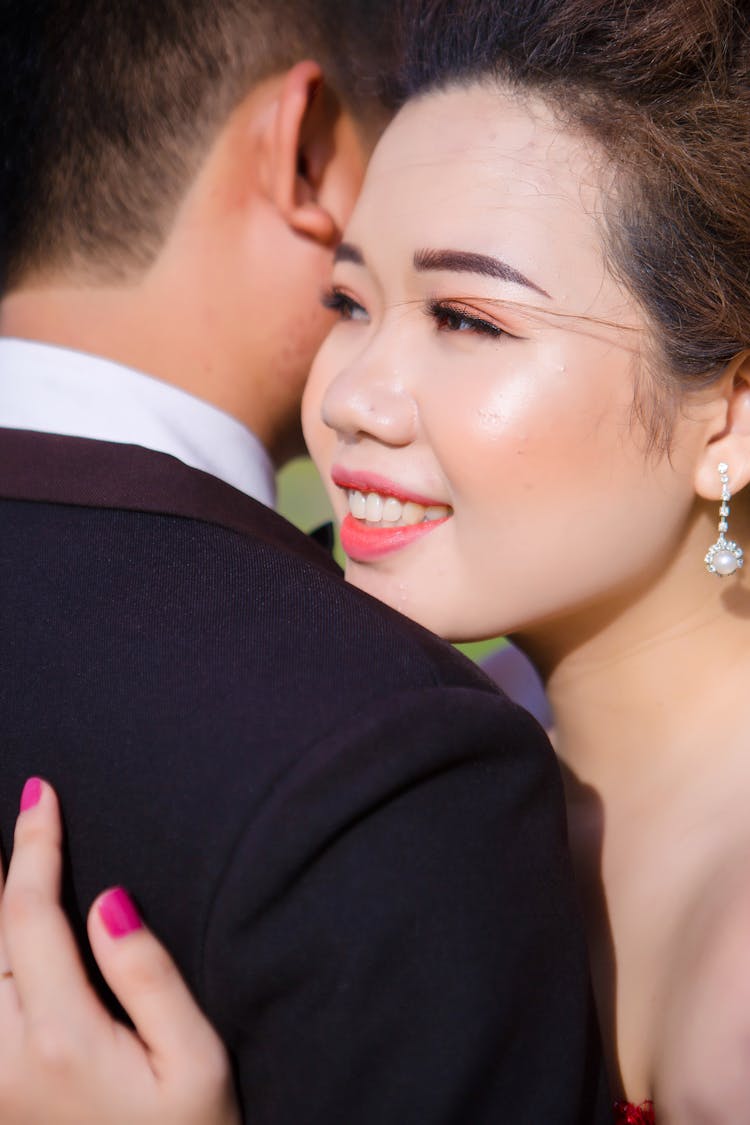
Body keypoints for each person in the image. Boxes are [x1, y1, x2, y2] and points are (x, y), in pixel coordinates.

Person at [2, 0, 748, 1121]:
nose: (348, 400)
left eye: (467, 320)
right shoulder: (426, 750)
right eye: (348, 301)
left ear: (730, 420)